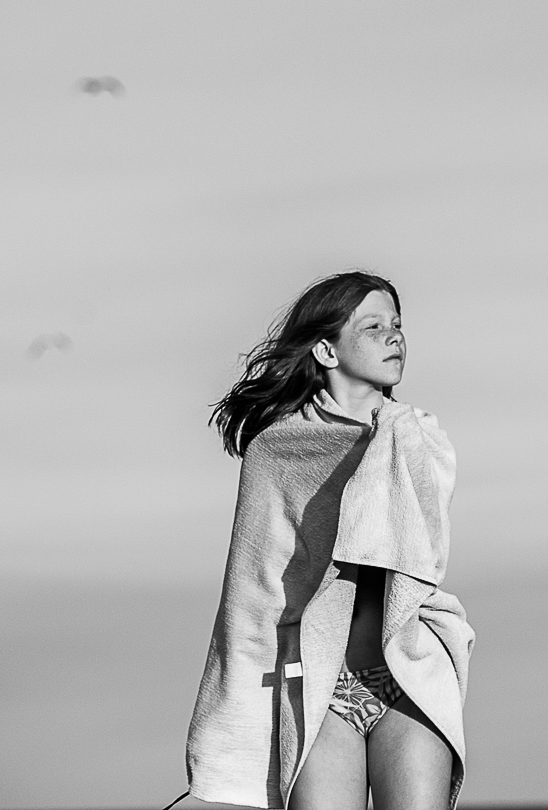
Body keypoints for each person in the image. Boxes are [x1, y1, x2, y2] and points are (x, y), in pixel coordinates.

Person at [186, 271, 473, 810]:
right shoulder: (278, 451)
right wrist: (228, 721)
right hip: (320, 688)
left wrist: (381, 439)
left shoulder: (417, 437)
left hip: (408, 674)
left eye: (397, 324)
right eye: (372, 326)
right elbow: (253, 593)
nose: (394, 337)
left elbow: (422, 556)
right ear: (326, 349)